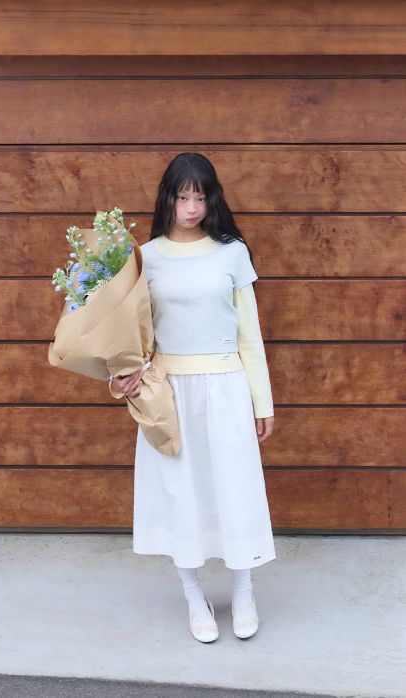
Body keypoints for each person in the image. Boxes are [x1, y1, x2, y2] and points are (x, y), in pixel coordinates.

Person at [109, 152, 276, 643]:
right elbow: (130, 334)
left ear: (211, 200)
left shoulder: (232, 253)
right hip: (170, 393)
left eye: (200, 198)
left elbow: (250, 336)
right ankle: (192, 596)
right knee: (179, 492)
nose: (191, 208)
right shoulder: (146, 257)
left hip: (225, 388)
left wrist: (262, 402)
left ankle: (243, 591)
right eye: (182, 197)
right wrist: (122, 375)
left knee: (234, 488)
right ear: (168, 198)